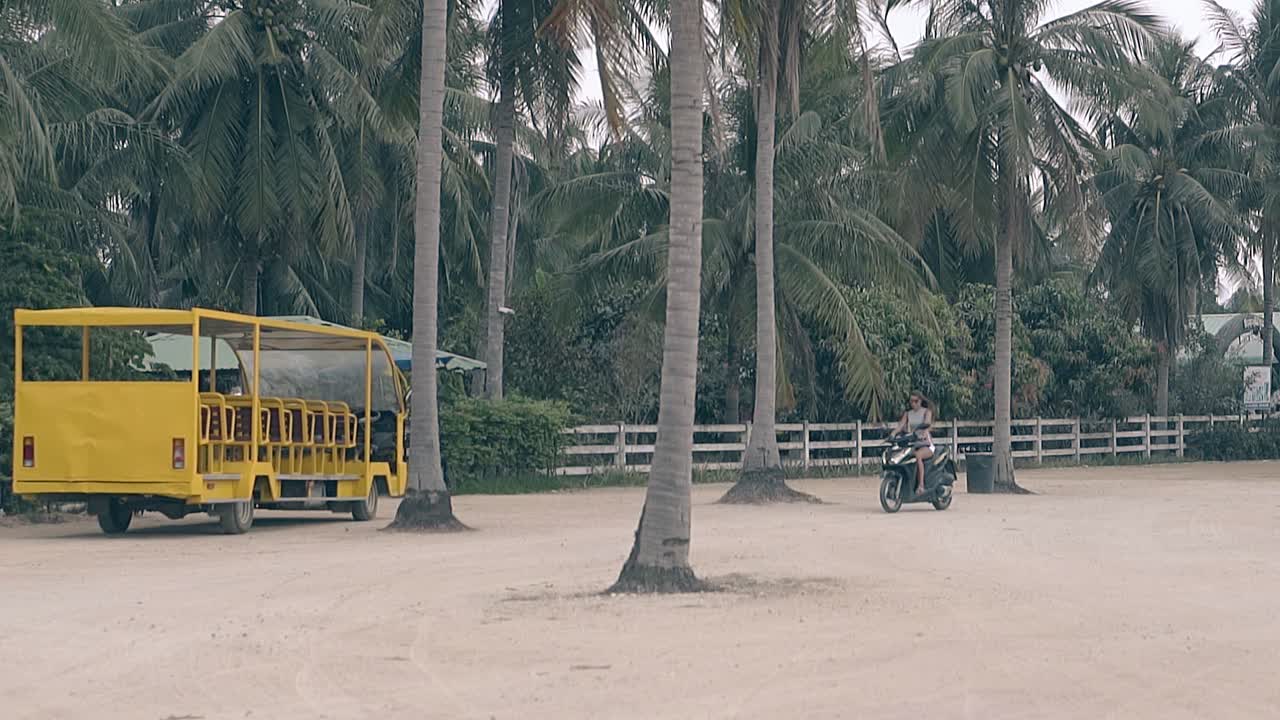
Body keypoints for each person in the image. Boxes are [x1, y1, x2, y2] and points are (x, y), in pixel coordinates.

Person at [895, 391, 934, 495]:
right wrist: (892, 435)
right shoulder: (908, 414)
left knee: (918, 456)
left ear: (920, 401)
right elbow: (900, 426)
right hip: (912, 443)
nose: (913, 404)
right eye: (911, 401)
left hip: (926, 444)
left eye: (916, 401)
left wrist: (924, 432)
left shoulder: (927, 412)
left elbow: (927, 424)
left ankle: (921, 486)